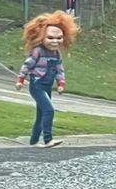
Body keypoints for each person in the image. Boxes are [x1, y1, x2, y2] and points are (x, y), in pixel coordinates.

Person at [15, 10, 79, 148]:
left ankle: (33, 141)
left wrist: (61, 82)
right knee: (49, 110)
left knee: (40, 114)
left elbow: (59, 69)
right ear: (41, 37)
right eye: (50, 38)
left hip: (48, 85)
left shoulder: (56, 54)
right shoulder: (38, 51)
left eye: (59, 38)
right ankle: (48, 139)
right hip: (37, 85)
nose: (55, 41)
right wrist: (20, 79)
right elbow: (28, 64)